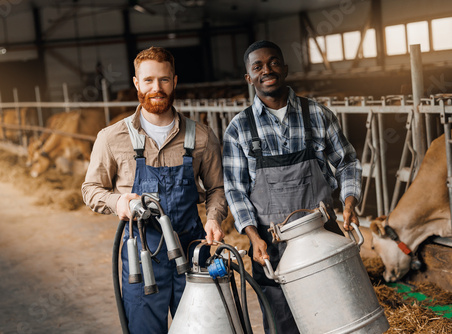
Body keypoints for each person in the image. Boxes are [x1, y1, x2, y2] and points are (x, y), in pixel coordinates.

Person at [82, 46, 227, 334]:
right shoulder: (112, 138)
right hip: (140, 256)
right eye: (147, 80)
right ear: (136, 83)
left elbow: (217, 188)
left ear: (174, 81)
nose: (156, 88)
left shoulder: (200, 136)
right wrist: (118, 202)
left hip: (192, 251)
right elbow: (91, 189)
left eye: (163, 80)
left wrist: (214, 218)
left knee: (203, 328)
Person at [223, 40, 362, 333]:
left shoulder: (318, 115)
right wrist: (251, 236)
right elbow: (235, 189)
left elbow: (348, 161)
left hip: (323, 234)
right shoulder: (239, 127)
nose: (267, 70)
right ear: (249, 78)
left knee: (336, 317)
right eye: (257, 66)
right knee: (282, 323)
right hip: (270, 244)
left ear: (285, 69)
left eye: (273, 62)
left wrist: (349, 203)